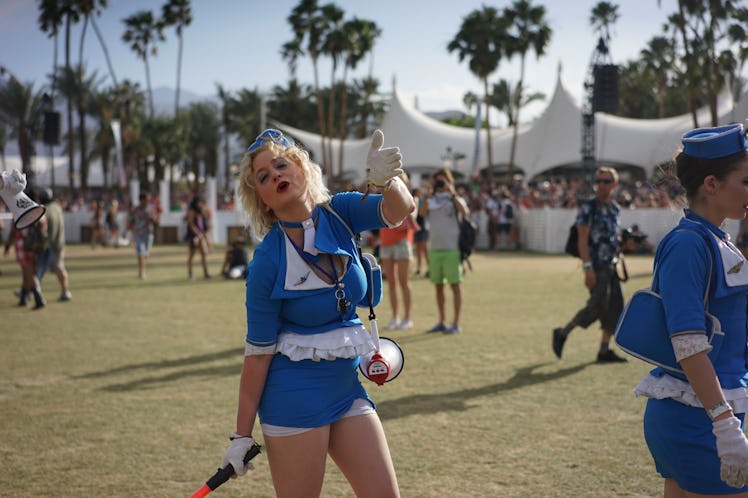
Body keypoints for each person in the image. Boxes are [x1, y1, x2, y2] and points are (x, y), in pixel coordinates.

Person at [218, 128, 413, 497]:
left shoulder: (341, 213)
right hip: (293, 397)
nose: (275, 174)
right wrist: (241, 435)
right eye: (263, 176)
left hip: (347, 388)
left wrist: (391, 181)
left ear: (303, 169)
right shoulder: (267, 262)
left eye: (281, 164)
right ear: (261, 200)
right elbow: (257, 355)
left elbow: (400, 209)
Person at [632, 123, 748, 496]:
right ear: (711, 184)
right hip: (697, 417)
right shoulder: (688, 244)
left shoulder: (714, 239)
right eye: (745, 181)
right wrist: (724, 424)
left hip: (706, 412)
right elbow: (688, 344)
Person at [552, 166, 627, 363]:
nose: (601, 185)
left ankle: (604, 350)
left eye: (606, 181)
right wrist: (587, 269)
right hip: (596, 266)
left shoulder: (615, 209)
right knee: (596, 307)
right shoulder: (588, 207)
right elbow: (582, 241)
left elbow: (612, 238)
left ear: (615, 184)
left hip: (611, 266)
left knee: (615, 308)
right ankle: (562, 332)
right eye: (599, 181)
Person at [418, 168, 469, 334]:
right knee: (438, 287)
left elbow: (465, 212)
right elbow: (421, 213)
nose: (440, 184)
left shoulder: (454, 198)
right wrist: (430, 194)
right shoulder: (431, 199)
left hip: (452, 249)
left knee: (455, 286)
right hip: (435, 249)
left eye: (442, 181)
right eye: (437, 181)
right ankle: (441, 321)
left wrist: (451, 192)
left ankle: (456, 323)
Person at [379, 173, 416, 330]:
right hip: (386, 241)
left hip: (402, 242)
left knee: (403, 282)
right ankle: (395, 317)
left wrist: (402, 199)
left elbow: (413, 220)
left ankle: (407, 318)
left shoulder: (411, 199)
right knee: (391, 283)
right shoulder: (383, 197)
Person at [36, 188, 72, 301]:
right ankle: (29, 292)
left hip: (50, 245)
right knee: (53, 268)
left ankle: (30, 292)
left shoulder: (45, 210)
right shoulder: (57, 207)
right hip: (58, 243)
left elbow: (43, 227)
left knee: (41, 269)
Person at [126, 192, 159, 279]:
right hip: (139, 234)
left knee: (146, 254)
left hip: (149, 234)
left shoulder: (151, 209)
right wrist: (129, 231)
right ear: (142, 200)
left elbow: (156, 221)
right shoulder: (135, 210)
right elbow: (130, 221)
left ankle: (143, 270)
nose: (148, 201)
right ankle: (142, 272)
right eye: (146, 199)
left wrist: (153, 218)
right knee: (141, 252)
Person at [185, 194, 211, 279]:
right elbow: (191, 224)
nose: (201, 204)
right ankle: (190, 273)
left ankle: (206, 273)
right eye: (200, 202)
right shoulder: (192, 211)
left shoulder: (202, 211)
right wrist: (197, 233)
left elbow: (205, 222)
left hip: (201, 235)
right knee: (192, 255)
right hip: (193, 236)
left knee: (203, 253)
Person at [411, 187, 429, 277]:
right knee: (418, 250)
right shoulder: (414, 201)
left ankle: (430, 268)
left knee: (424, 250)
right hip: (417, 229)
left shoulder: (422, 201)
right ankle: (419, 268)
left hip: (423, 228)